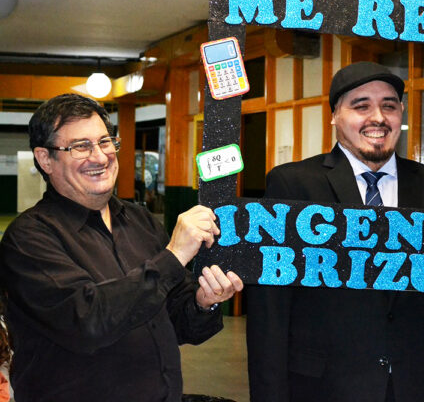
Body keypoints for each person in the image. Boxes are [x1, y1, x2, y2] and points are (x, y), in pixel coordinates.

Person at [246, 61, 424, 402]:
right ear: (334, 116)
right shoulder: (292, 185)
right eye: (361, 106)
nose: (378, 118)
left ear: (401, 114)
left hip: (419, 386)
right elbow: (270, 313)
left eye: (389, 106)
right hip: (323, 388)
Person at [0, 93, 244, 402]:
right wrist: (174, 255)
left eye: (105, 142)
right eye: (80, 146)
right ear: (45, 158)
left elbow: (177, 322)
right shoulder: (29, 239)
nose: (100, 157)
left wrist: (203, 301)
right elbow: (88, 321)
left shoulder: (140, 221)